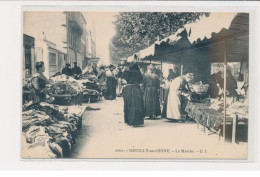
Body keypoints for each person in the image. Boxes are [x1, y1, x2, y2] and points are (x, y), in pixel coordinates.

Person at [122, 62, 144, 127]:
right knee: (137, 105)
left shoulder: (126, 72)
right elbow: (141, 81)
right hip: (136, 89)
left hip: (127, 89)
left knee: (128, 104)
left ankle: (128, 120)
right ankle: (136, 121)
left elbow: (122, 80)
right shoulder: (138, 73)